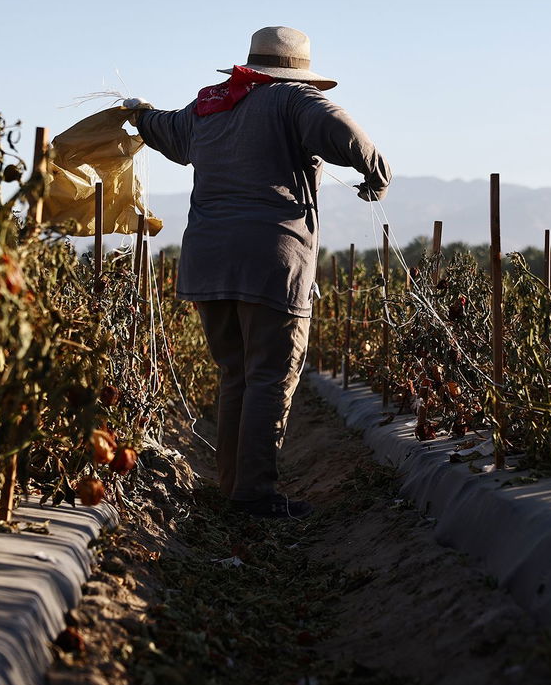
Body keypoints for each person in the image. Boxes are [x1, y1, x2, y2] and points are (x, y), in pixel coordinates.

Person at [126, 26, 390, 518]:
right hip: (271, 260)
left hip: (207, 262)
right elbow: (346, 133)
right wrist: (376, 171)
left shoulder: (211, 105)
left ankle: (232, 487)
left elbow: (162, 129)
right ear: (297, 71)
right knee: (270, 376)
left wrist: (139, 113)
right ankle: (254, 496)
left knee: (236, 374)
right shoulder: (294, 99)